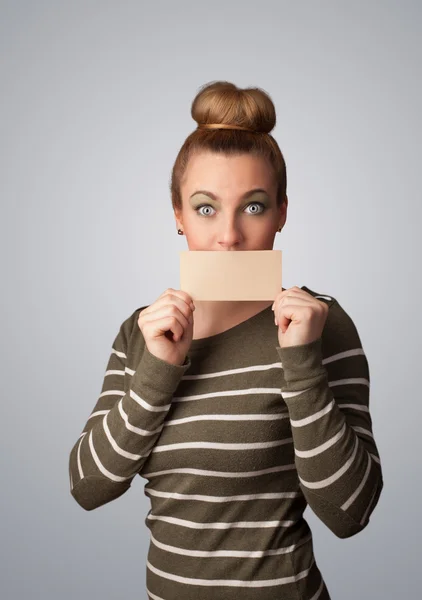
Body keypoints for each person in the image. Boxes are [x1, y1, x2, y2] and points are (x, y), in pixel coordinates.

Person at [68, 81, 383, 600]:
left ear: (282, 211)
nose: (230, 236)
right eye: (206, 208)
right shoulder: (141, 331)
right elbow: (88, 487)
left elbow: (350, 513)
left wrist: (301, 362)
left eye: (254, 207)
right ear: (177, 215)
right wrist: (157, 370)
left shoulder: (321, 325)